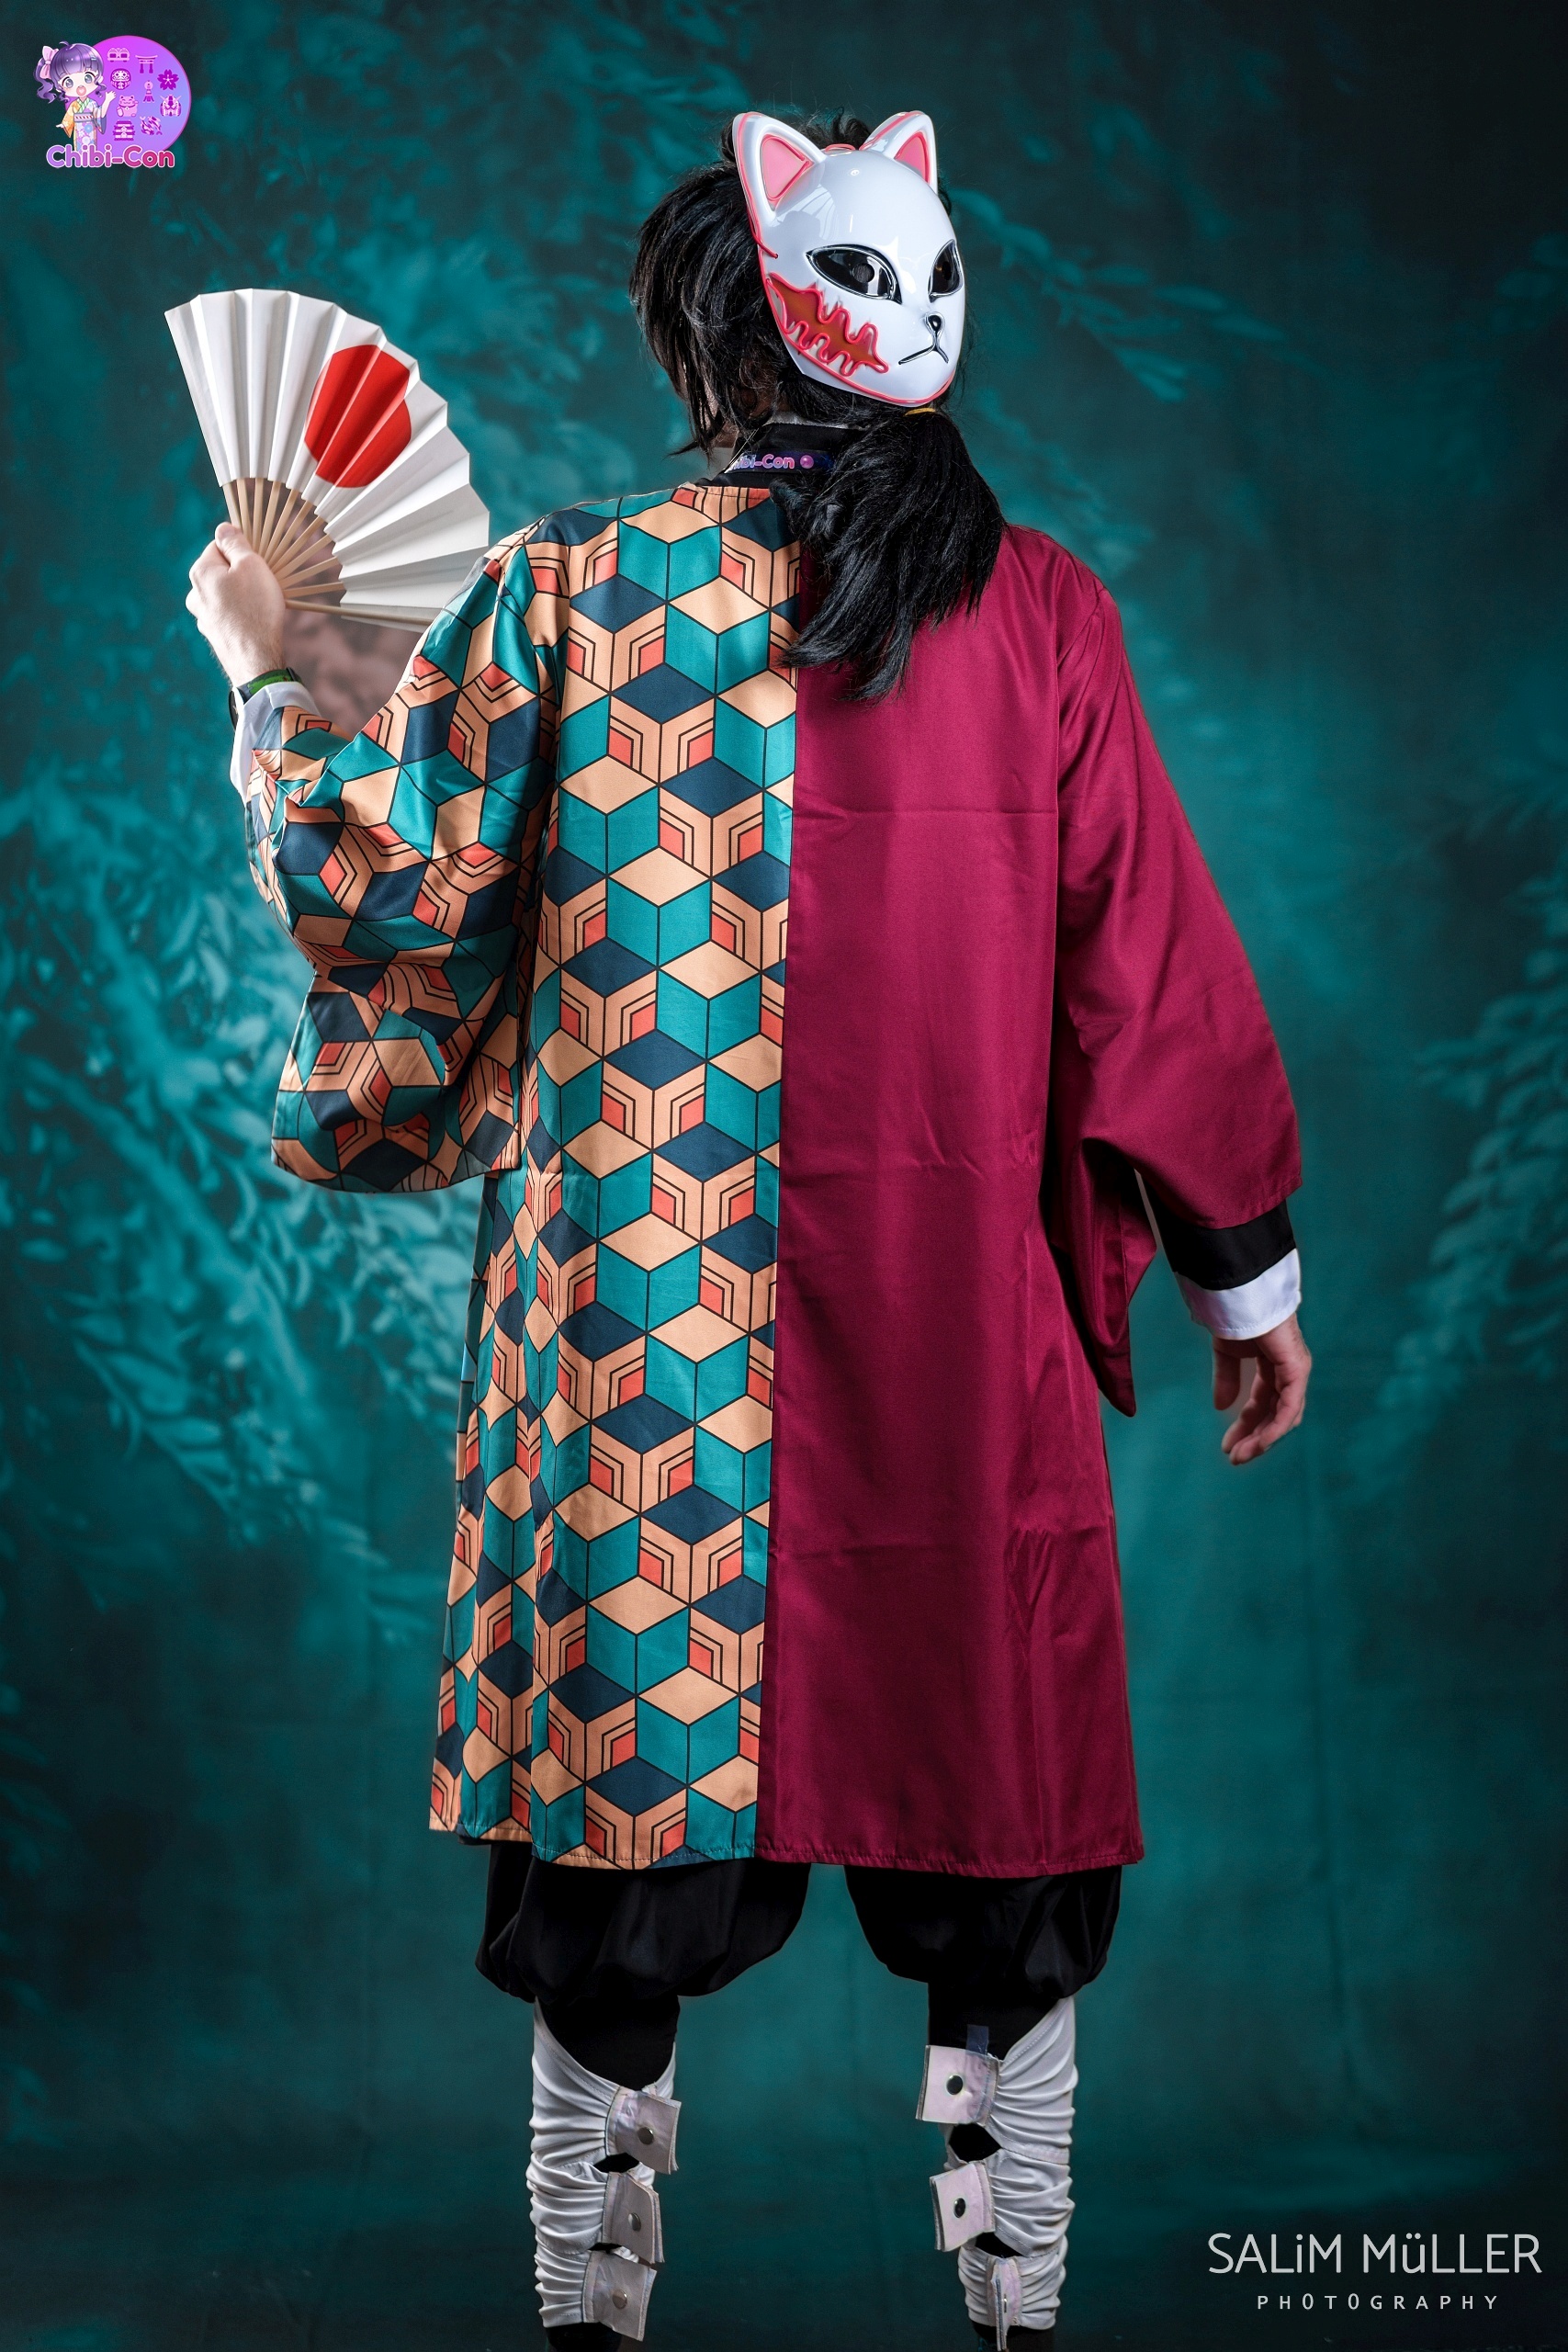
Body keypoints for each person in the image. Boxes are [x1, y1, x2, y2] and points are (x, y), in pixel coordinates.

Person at [186, 107, 1310, 2352]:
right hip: (953, 1326)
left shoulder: (571, 593)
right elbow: (1149, 967)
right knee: (992, 1813)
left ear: (709, 340)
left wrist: (273, 668)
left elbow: (385, 884)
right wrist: (1240, 1265)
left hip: (642, 1355)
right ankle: (1014, 2298)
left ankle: (585, 2307)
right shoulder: (1036, 610)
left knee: (623, 1835)